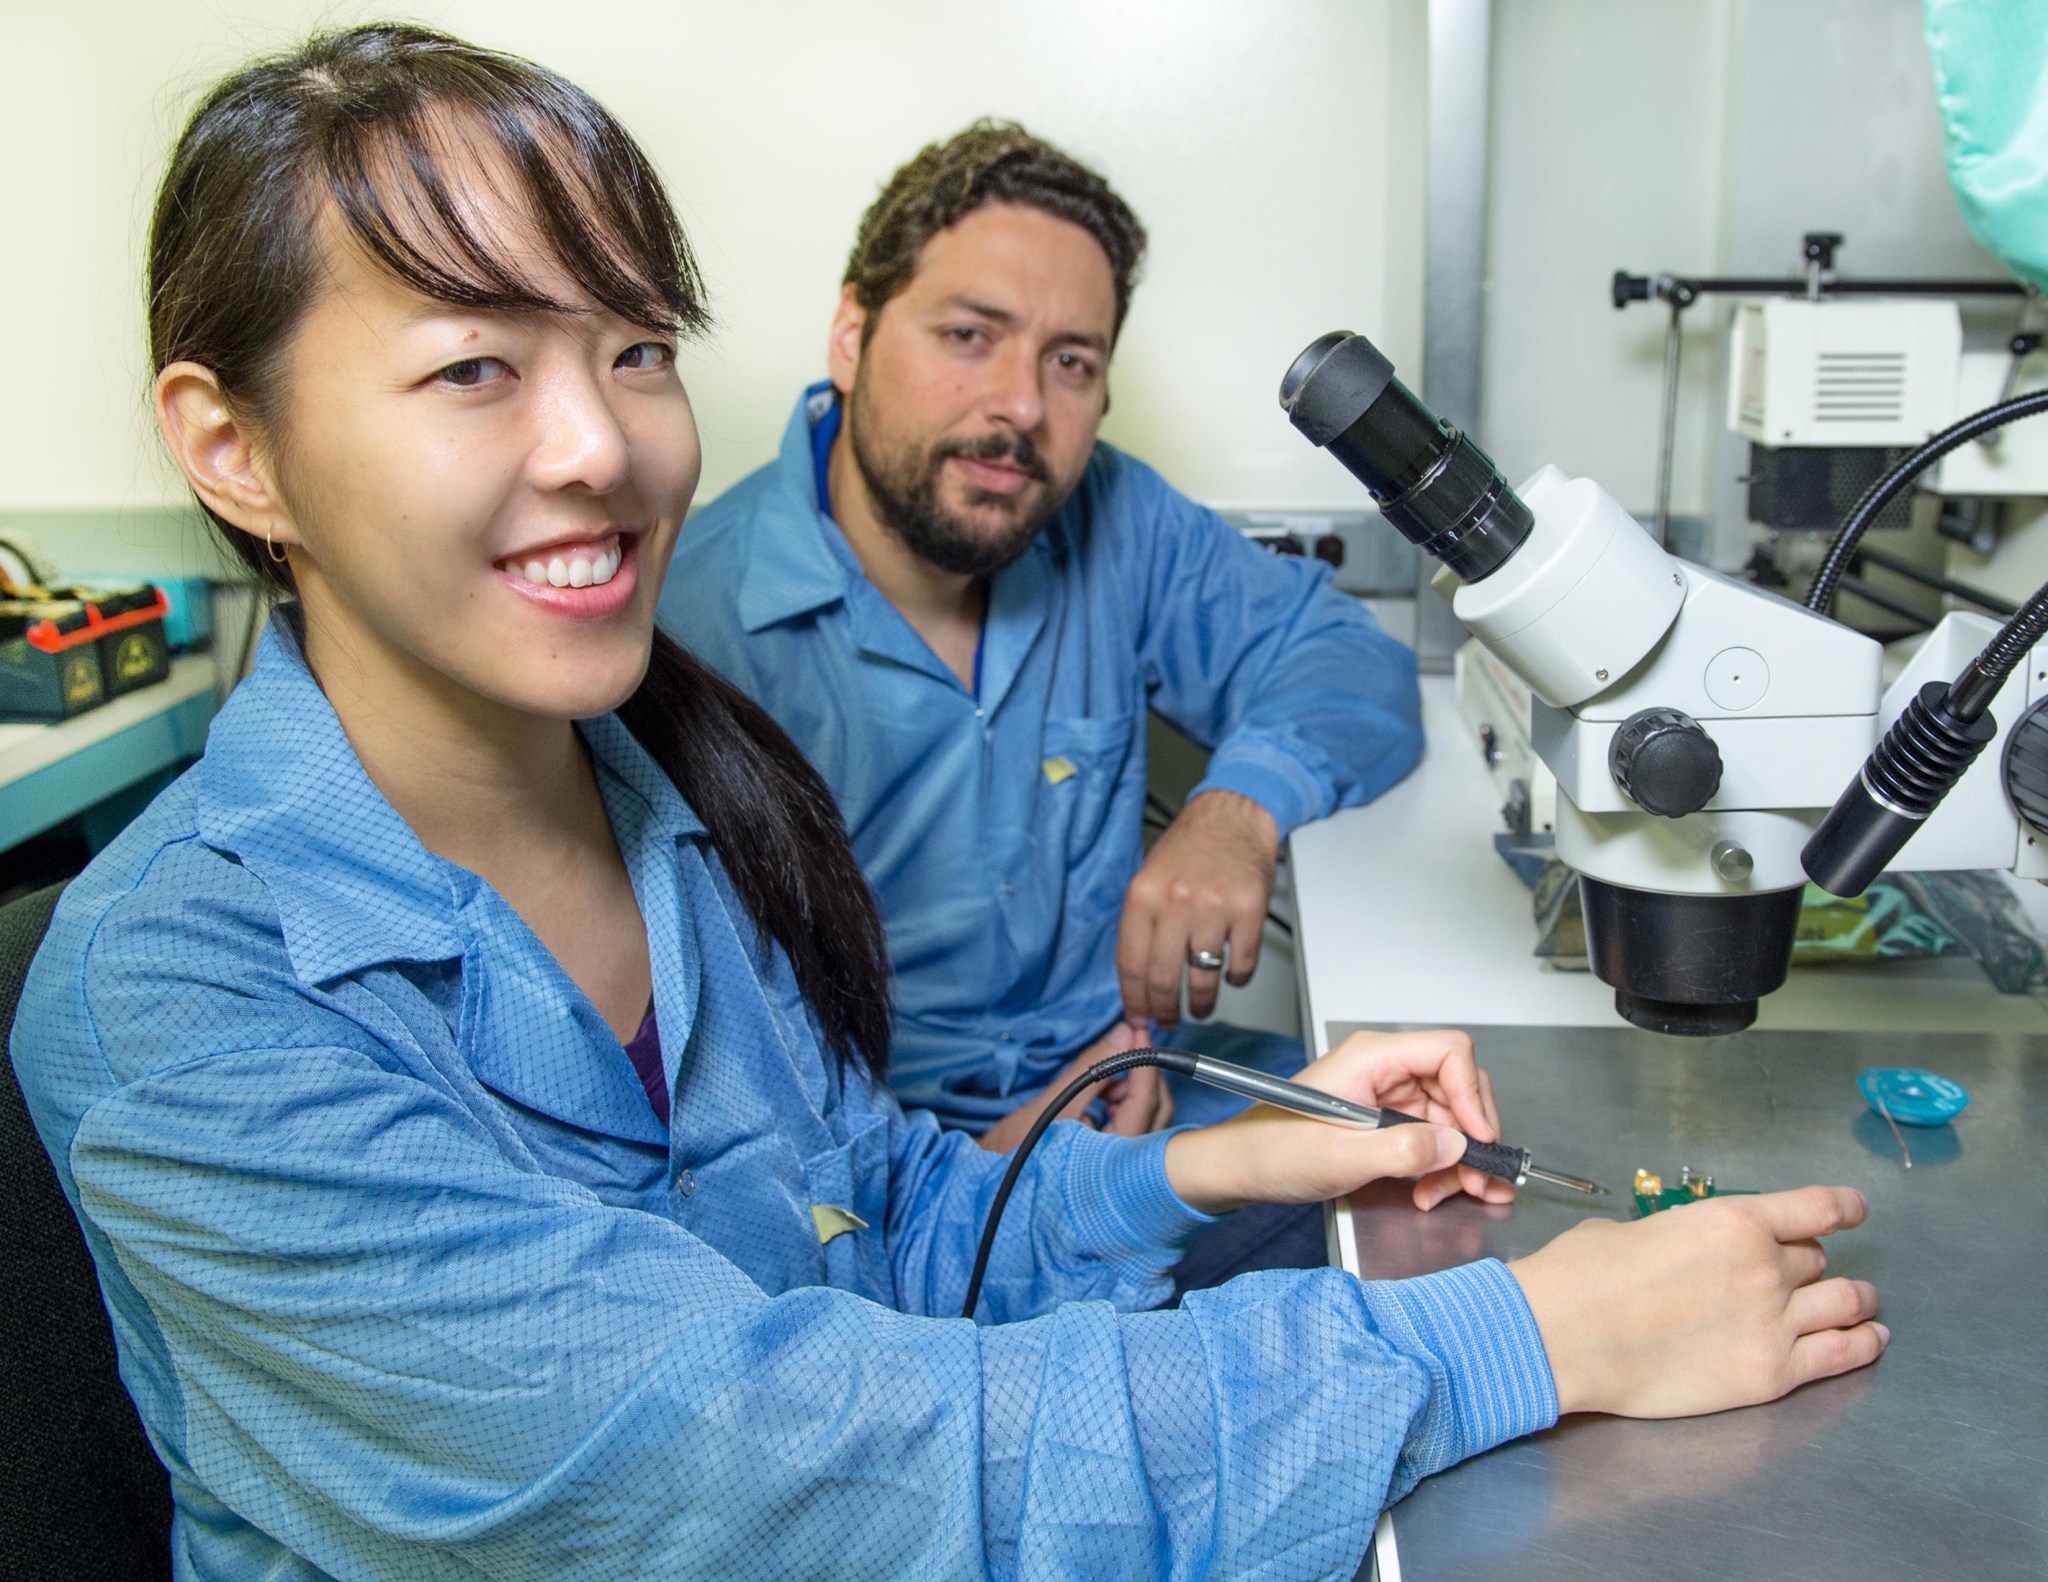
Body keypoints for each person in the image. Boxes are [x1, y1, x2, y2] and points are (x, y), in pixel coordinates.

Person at [12, 24, 1887, 1581]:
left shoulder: (658, 790)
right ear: (230, 445)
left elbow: (873, 1216)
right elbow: (762, 1467)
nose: (598, 446)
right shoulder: (187, 996)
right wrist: (1519, 1339)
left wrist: (1221, 1157)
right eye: (474, 366)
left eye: (634, 348)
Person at [660, 122, 1423, 1154]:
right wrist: (971, 1181)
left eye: (1069, 361)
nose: (1019, 404)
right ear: (851, 337)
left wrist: (1236, 809)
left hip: (1141, 1096)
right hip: (873, 1185)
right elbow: (697, 1082)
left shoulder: (1113, 517)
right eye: (968, 335)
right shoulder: (682, 629)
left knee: (1430, 1155)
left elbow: (1349, 658)